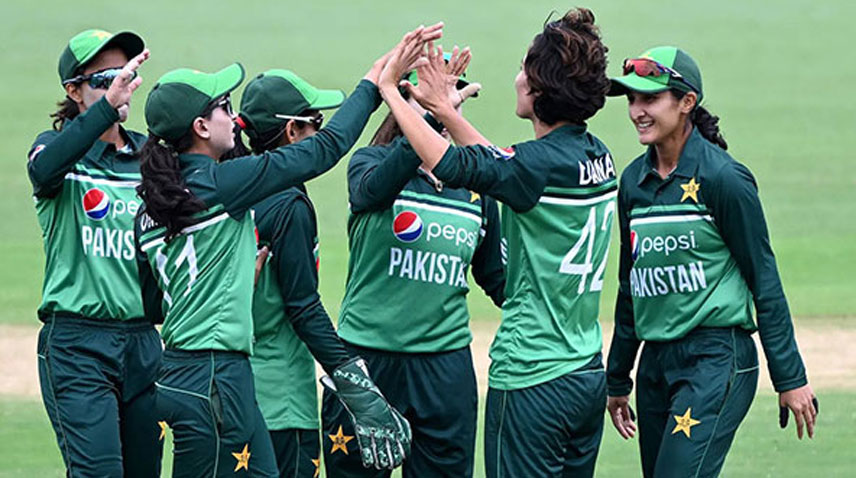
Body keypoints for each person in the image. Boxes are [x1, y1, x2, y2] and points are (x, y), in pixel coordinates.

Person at [133, 25, 441, 477]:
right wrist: (374, 85)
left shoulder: (150, 206)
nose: (233, 118)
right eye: (223, 108)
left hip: (180, 374)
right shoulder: (222, 184)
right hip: (215, 377)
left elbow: (151, 303)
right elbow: (325, 150)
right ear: (200, 127)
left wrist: (230, 280)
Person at [376, 9, 615, 477]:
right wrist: (446, 113)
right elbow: (499, 164)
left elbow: (458, 165)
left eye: (525, 70)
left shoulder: (533, 167)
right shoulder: (595, 156)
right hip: (586, 374)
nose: (517, 78)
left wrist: (391, 91)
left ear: (540, 88)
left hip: (533, 378)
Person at [603, 46, 818, 478]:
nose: (637, 111)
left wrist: (790, 377)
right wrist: (618, 377)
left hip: (715, 359)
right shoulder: (633, 183)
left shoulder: (723, 179)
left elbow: (764, 279)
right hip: (655, 365)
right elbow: (632, 286)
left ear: (687, 102)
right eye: (632, 99)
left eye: (650, 99)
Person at [321, 52, 504, 478]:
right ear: (403, 99)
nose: (446, 103)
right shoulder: (370, 163)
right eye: (432, 93)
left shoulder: (473, 184)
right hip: (368, 364)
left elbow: (498, 279)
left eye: (452, 94)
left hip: (445, 369)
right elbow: (371, 191)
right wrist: (430, 122)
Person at [234, 69, 392, 478]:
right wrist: (353, 377)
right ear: (292, 131)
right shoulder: (288, 206)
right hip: (282, 402)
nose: (320, 133)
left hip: (233, 392)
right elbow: (303, 308)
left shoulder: (234, 183)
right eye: (315, 123)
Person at [28, 29, 162, 477]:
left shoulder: (149, 157)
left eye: (126, 75)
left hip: (143, 343)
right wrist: (105, 109)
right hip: (78, 345)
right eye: (105, 79)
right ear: (74, 91)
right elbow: (44, 170)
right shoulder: (55, 150)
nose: (121, 86)